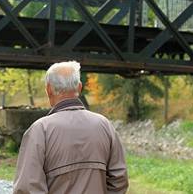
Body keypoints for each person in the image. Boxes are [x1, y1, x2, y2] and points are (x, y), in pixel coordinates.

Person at [13, 61, 129, 193]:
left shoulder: (40, 130)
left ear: (49, 89)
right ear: (79, 88)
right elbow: (119, 180)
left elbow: (27, 188)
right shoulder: (104, 125)